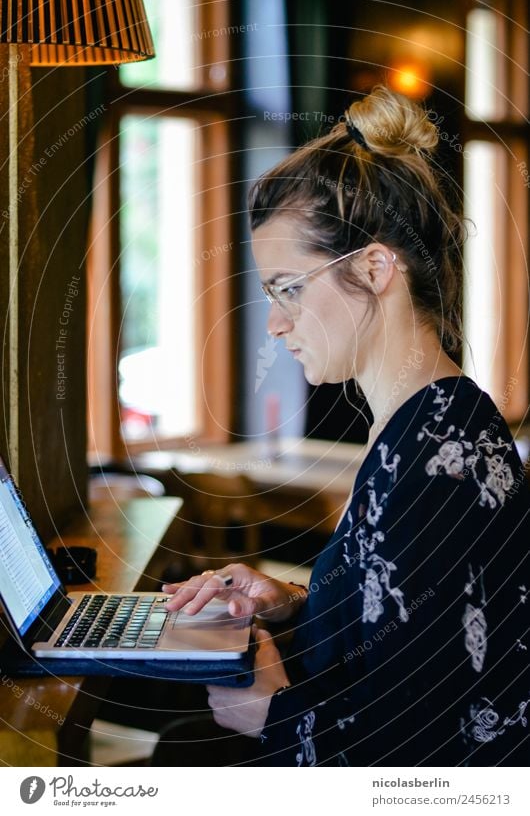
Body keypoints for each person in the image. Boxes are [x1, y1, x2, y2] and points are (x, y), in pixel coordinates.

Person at [163, 85, 530, 766]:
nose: (275, 322)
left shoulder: (436, 455)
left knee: (175, 747)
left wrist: (269, 713)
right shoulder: (425, 423)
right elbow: (406, 634)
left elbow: (425, 744)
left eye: (289, 288)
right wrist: (294, 605)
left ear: (374, 266)